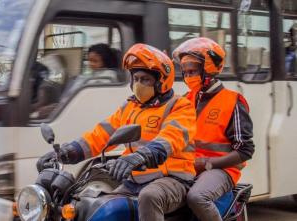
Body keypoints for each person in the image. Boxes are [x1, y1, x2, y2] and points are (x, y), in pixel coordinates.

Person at [37, 43, 197, 221]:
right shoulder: (129, 107)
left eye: (145, 79)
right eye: (135, 79)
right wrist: (69, 152)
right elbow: (100, 134)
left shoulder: (180, 106)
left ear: (161, 82)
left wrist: (141, 156)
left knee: (149, 197)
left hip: (173, 180)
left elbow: (171, 138)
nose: (138, 84)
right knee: (98, 209)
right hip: (135, 182)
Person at [172, 37, 255, 221]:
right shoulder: (185, 99)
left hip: (221, 170)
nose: (187, 76)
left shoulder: (233, 101)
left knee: (197, 197)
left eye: (192, 70)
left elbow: (245, 150)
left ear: (208, 68)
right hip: (187, 167)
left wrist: (207, 164)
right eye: (185, 71)